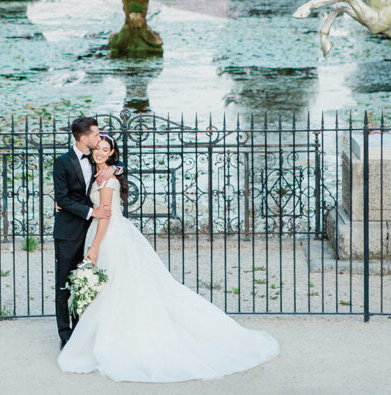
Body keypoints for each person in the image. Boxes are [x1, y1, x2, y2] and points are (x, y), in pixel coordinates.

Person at [57, 134, 279, 382]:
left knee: (118, 285)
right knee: (113, 288)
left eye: (104, 149)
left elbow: (106, 215)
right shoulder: (95, 169)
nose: (99, 152)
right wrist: (64, 203)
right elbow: (78, 190)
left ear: (111, 153)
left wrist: (95, 247)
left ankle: (119, 339)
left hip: (108, 236)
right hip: (104, 232)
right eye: (97, 147)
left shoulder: (108, 181)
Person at [52, 116, 112, 348]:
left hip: (91, 232)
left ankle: (81, 329)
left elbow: (116, 160)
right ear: (84, 137)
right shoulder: (62, 162)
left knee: (85, 281)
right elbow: (62, 198)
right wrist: (91, 212)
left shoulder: (96, 159)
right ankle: (65, 335)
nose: (99, 138)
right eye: (96, 134)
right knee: (64, 284)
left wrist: (116, 168)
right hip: (69, 231)